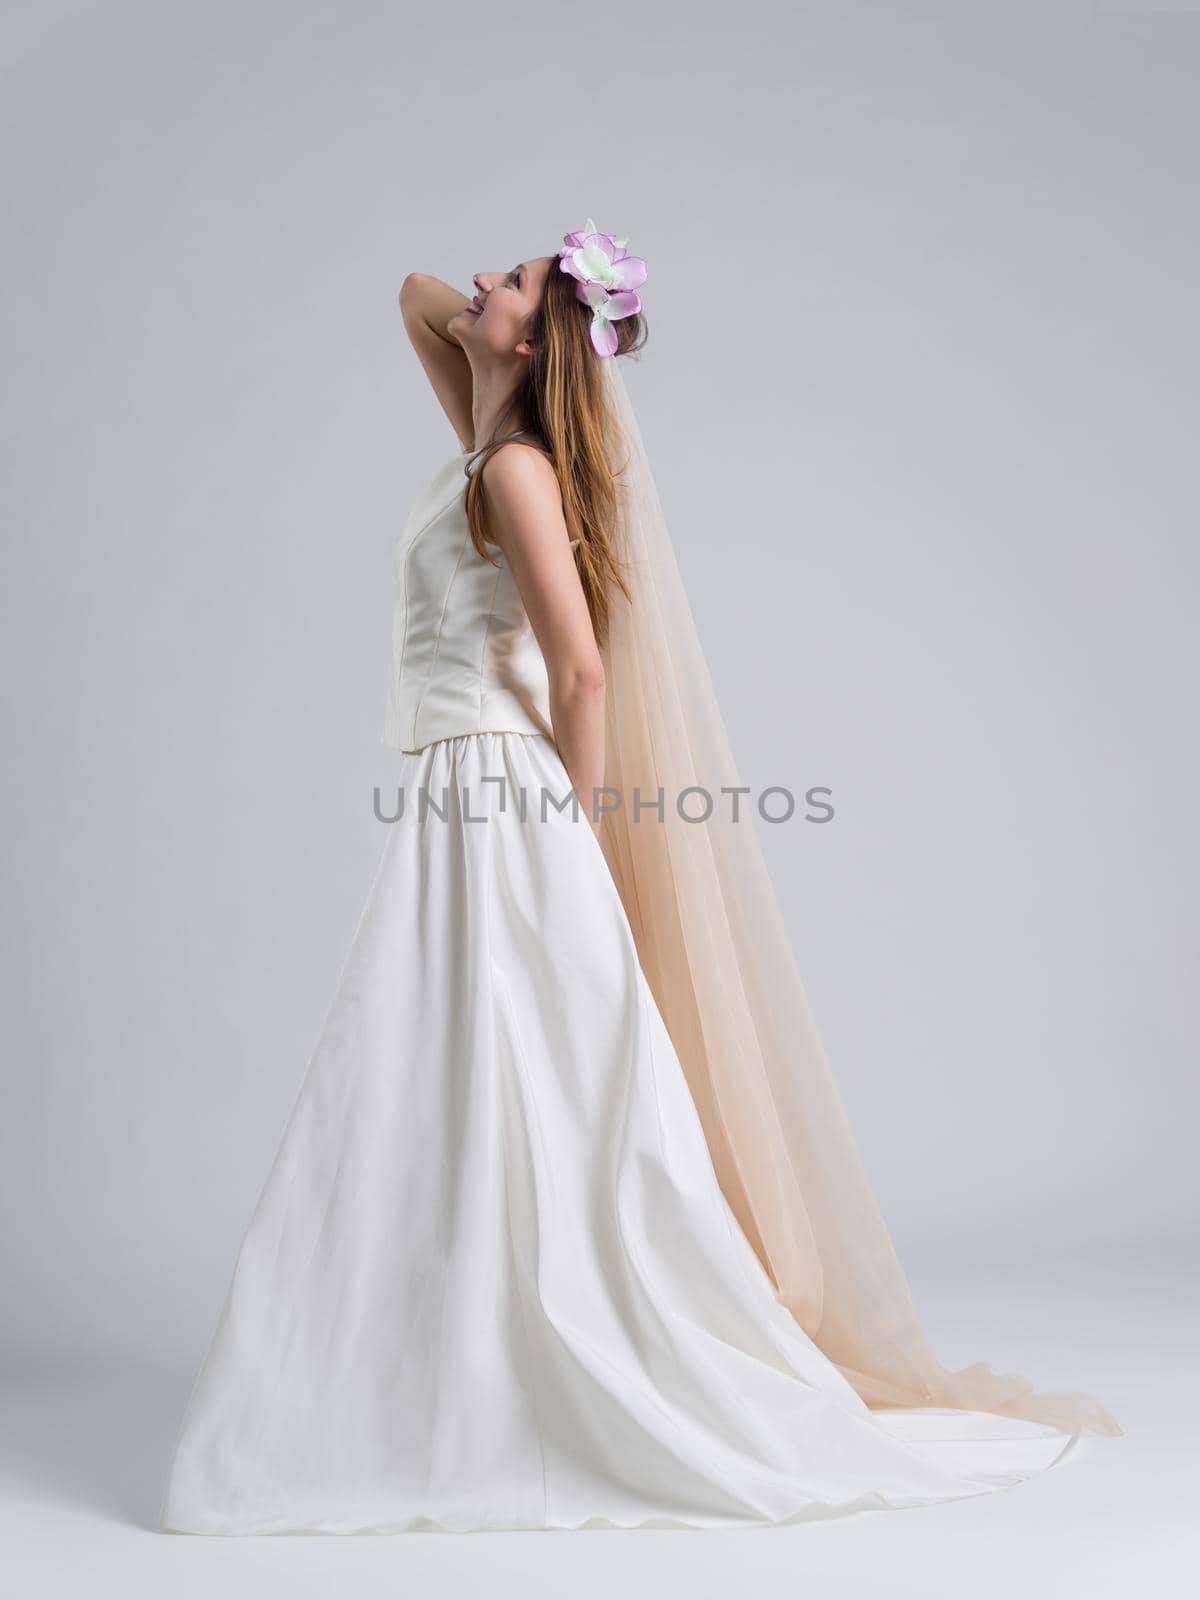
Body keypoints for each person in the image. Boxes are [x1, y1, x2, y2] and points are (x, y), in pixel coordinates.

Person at [159, 220, 1121, 1536]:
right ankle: (464, 1361)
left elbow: (586, 668)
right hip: (462, 795)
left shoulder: (510, 469)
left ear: (530, 344)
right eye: (496, 271)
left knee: (486, 1068)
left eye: (507, 280)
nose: (477, 280)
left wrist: (587, 823)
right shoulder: (489, 439)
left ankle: (485, 1373)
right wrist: (541, 314)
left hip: (502, 799)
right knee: (466, 1071)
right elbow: (410, 294)